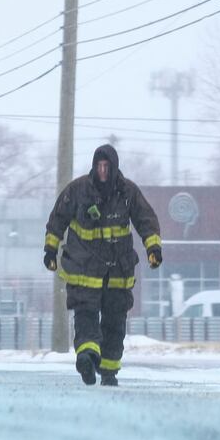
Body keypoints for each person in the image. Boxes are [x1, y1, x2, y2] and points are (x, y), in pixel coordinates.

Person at [43, 144, 161, 386]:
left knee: (114, 323)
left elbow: (146, 220)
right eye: (99, 166)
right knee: (85, 317)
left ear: (114, 167)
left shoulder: (128, 193)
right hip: (83, 269)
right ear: (94, 166)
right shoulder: (77, 191)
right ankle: (87, 357)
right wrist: (50, 250)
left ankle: (108, 371)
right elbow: (57, 220)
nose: (103, 171)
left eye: (107, 167)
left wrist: (153, 248)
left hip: (118, 271)